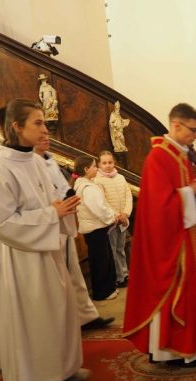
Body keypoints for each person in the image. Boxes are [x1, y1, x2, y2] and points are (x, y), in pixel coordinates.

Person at [0, 99, 87, 381]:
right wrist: (52, 214)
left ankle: (64, 367)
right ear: (17, 127)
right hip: (23, 259)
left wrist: (63, 207)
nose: (45, 129)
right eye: (37, 123)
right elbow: (0, 223)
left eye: (44, 123)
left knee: (58, 312)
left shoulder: (36, 162)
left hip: (47, 251)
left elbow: (49, 200)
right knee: (37, 320)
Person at [122, 103, 196, 367]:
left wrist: (191, 191)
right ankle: (175, 351)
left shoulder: (179, 153)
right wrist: (190, 192)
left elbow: (182, 190)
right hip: (171, 242)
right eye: (193, 130)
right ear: (176, 125)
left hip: (189, 235)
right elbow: (158, 206)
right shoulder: (158, 157)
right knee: (182, 293)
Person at [35, 136, 115, 330]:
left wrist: (67, 200)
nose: (45, 134)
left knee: (74, 275)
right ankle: (67, 321)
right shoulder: (28, 164)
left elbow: (63, 189)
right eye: (38, 126)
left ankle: (86, 316)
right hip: (49, 225)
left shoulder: (49, 160)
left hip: (64, 222)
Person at [74, 155, 119, 301]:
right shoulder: (87, 187)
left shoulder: (85, 184)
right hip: (95, 229)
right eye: (94, 166)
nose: (97, 168)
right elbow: (98, 208)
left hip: (96, 227)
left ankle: (108, 288)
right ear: (86, 169)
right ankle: (103, 292)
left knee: (103, 259)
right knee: (101, 261)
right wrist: (111, 217)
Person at [94, 150, 133, 288]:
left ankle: (125, 273)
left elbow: (128, 196)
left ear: (114, 162)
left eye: (110, 162)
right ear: (99, 164)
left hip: (123, 219)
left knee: (121, 248)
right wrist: (117, 215)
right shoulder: (97, 181)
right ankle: (118, 277)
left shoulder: (121, 177)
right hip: (111, 221)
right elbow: (103, 202)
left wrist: (126, 213)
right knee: (113, 249)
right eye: (104, 163)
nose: (108, 165)